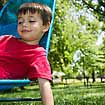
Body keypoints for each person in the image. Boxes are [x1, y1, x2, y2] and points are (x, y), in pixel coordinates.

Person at [0, 2, 54, 105]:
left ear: (45, 26)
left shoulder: (37, 54)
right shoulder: (6, 39)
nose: (24, 24)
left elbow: (44, 84)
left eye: (31, 21)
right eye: (20, 22)